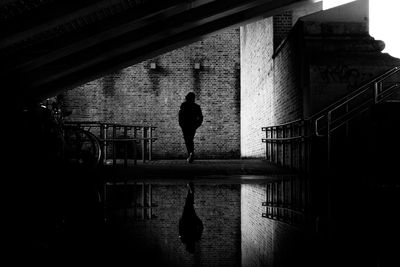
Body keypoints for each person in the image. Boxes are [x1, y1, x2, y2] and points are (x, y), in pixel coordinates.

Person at [178, 182, 203, 253]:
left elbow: (201, 227)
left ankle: (191, 190)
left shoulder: (196, 239)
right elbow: (180, 229)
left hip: (191, 219)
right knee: (188, 204)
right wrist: (181, 220)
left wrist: (197, 220)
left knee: (189, 204)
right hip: (186, 219)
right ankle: (190, 189)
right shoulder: (184, 240)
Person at [178, 92, 203, 163]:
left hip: (185, 126)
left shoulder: (183, 105)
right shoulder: (196, 107)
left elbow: (180, 116)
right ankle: (191, 153)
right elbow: (200, 118)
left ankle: (190, 153)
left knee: (187, 140)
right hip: (192, 126)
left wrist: (182, 125)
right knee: (190, 140)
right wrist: (196, 125)